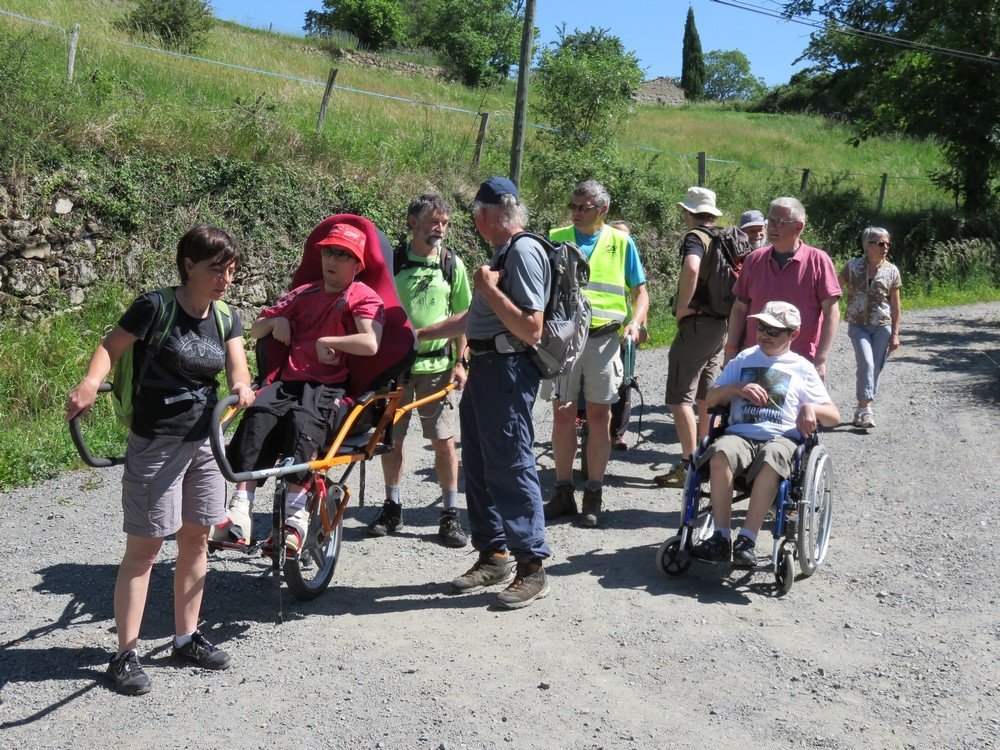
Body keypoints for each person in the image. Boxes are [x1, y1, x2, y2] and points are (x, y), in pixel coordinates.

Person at [65, 225, 255, 696]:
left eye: (231, 270)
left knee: (197, 540)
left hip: (205, 442)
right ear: (189, 266)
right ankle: (124, 655)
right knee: (145, 550)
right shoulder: (155, 306)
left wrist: (241, 386)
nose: (226, 280)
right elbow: (110, 347)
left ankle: (186, 638)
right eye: (217, 270)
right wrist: (89, 382)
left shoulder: (226, 316)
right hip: (156, 443)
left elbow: (238, 366)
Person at [221, 223, 383, 553]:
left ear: (357, 264)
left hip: (329, 387)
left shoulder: (362, 295)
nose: (332, 259)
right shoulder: (304, 293)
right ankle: (240, 510)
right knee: (258, 415)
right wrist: (276, 321)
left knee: (303, 422)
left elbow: (371, 342)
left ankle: (295, 517)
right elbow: (256, 329)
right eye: (328, 252)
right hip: (288, 382)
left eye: (342, 255)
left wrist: (329, 341)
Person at [449, 176, 552, 609]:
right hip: (486, 369)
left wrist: (488, 288)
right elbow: (476, 319)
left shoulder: (523, 252)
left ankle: (532, 566)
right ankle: (493, 555)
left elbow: (531, 328)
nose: (475, 221)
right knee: (478, 464)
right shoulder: (503, 252)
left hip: (507, 370)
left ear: (490, 214)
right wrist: (420, 333)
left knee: (510, 464)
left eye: (477, 213)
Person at [689, 301, 840, 566]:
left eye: (774, 331)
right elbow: (711, 398)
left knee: (773, 457)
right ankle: (721, 538)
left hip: (781, 438)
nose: (764, 334)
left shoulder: (802, 368)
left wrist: (810, 408)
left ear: (793, 334)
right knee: (720, 451)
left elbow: (834, 416)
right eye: (761, 326)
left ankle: (747, 539)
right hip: (740, 436)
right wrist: (737, 388)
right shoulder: (743, 359)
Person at [542, 180, 649, 527]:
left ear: (603, 210)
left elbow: (640, 291)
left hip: (604, 339)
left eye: (583, 207)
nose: (576, 213)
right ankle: (563, 491)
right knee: (562, 414)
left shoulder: (622, 242)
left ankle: (593, 492)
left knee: (600, 416)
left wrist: (636, 322)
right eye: (573, 206)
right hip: (564, 339)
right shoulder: (555, 237)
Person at [370, 194, 471, 546]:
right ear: (413, 223)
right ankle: (392, 507)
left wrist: (461, 362)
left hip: (437, 367)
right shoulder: (393, 263)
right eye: (433, 222)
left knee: (443, 441)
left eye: (444, 222)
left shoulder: (451, 264)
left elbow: (465, 317)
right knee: (391, 440)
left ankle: (450, 513)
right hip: (395, 367)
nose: (440, 228)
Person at [655, 187, 729, 488]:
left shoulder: (695, 237)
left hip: (698, 323)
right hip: (720, 323)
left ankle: (689, 465)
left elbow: (692, 266)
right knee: (705, 397)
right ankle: (705, 456)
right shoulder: (724, 237)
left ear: (689, 212)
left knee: (678, 398)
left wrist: (683, 307)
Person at [726, 197, 841, 380]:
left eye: (779, 222)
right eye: (770, 221)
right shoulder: (754, 260)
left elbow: (831, 313)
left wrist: (821, 359)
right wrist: (731, 350)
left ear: (798, 227)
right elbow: (740, 308)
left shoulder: (818, 261)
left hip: (798, 363)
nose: (772, 227)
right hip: (754, 359)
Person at [838, 226, 902, 428]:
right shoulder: (852, 267)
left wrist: (895, 334)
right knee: (866, 363)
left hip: (883, 326)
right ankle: (865, 410)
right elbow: (835, 288)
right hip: (858, 325)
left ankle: (862, 408)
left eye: (888, 244)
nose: (885, 247)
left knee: (875, 367)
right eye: (880, 243)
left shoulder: (892, 271)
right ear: (867, 245)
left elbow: (895, 305)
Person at [608, 220, 648, 450]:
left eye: (626, 237)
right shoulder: (602, 260)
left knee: (624, 383)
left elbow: (641, 296)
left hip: (626, 335)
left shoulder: (632, 265)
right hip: (602, 332)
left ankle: (617, 433)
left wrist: (642, 326)